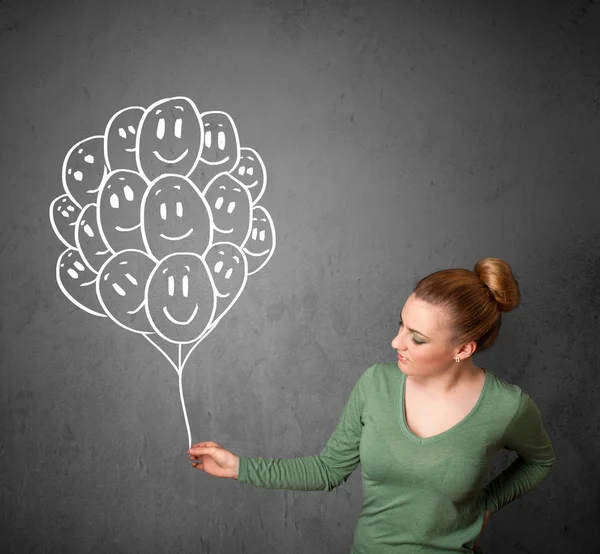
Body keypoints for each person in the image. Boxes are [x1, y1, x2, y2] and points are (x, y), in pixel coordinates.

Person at [188, 257, 556, 553]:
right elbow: (327, 470)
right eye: (401, 325)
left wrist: (487, 505)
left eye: (417, 338)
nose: (397, 343)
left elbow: (540, 460)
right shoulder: (376, 383)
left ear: (463, 349)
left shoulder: (506, 406)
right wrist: (240, 466)